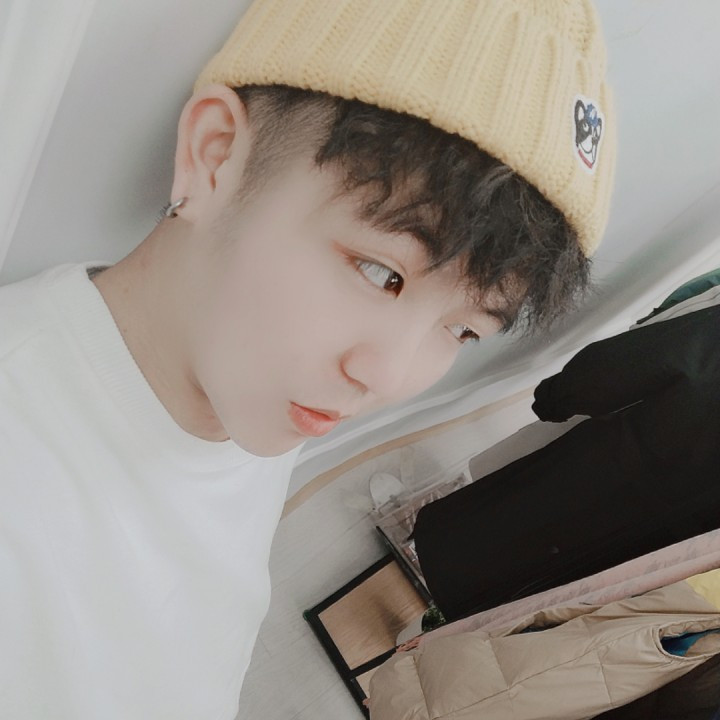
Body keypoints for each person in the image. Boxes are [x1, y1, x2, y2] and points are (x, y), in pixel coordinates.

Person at [0, 0, 616, 718]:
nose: (388, 377)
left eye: (462, 331)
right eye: (380, 274)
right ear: (214, 155)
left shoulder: (251, 388)